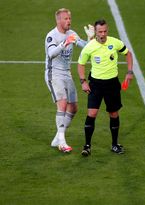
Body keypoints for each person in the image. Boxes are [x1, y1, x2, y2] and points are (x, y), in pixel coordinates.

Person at [77, 19, 133, 156]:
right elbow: (80, 64)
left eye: (105, 31)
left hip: (112, 84)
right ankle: (87, 146)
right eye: (100, 32)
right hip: (95, 84)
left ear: (107, 30)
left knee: (113, 113)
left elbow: (128, 54)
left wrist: (130, 72)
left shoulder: (115, 42)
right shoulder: (90, 46)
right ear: (95, 32)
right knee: (92, 114)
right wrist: (83, 81)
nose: (102, 34)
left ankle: (115, 144)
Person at [45, 8, 95, 153]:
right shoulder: (52, 36)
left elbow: (86, 47)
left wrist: (91, 39)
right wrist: (64, 43)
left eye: (69, 18)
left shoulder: (72, 34)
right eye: (66, 19)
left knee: (73, 107)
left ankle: (57, 138)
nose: (69, 21)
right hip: (54, 73)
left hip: (67, 74)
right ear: (58, 20)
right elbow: (51, 53)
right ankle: (62, 141)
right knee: (62, 102)